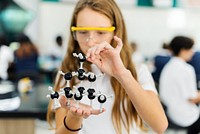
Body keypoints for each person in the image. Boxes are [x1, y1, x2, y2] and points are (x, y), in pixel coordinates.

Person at [47, 0, 168, 134]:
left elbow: (160, 125)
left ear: (115, 33)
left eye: (101, 32)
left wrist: (121, 74)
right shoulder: (68, 72)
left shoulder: (137, 71)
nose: (91, 41)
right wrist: (74, 117)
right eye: (82, 32)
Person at [159, 36, 200, 134]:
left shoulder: (168, 67)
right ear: (183, 50)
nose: (193, 52)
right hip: (185, 116)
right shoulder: (186, 69)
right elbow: (192, 98)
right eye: (191, 49)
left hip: (171, 112)